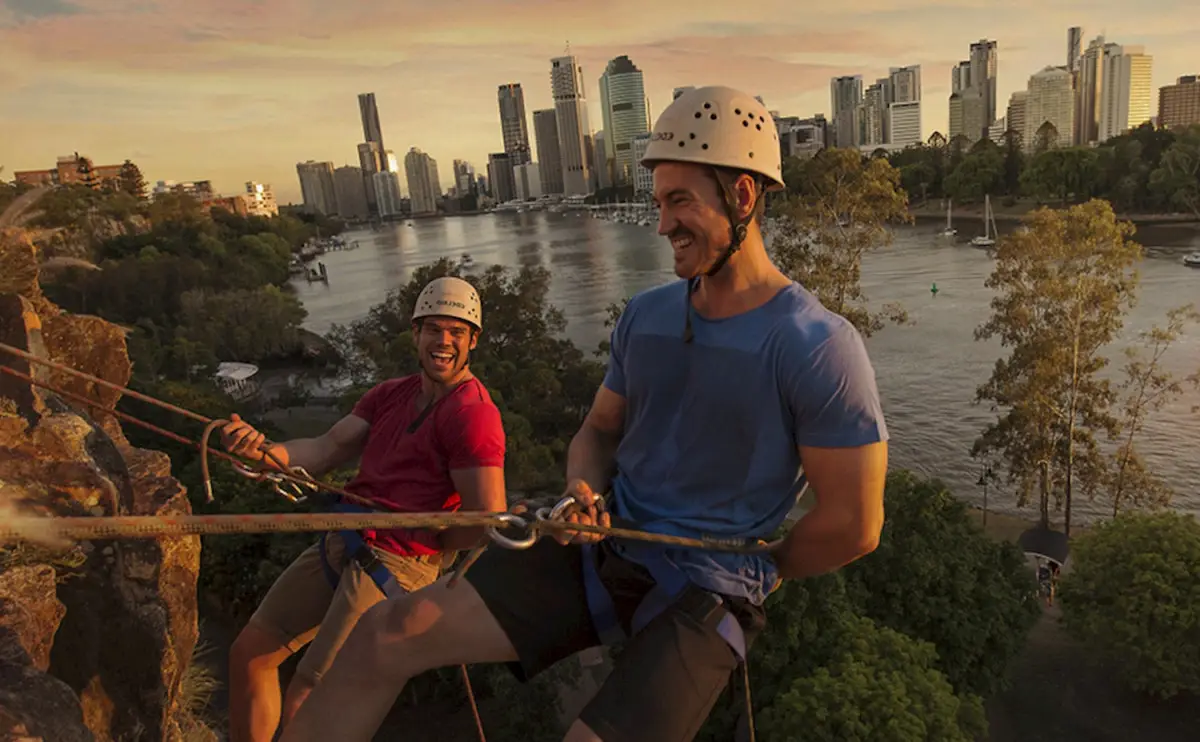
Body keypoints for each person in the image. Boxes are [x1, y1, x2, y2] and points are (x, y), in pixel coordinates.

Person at [281, 85, 889, 742]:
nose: (661, 225)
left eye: (679, 201)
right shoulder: (647, 316)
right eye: (659, 203)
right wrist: (581, 488)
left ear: (742, 196)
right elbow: (598, 431)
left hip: (711, 584)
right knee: (385, 632)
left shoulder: (817, 347)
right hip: (605, 546)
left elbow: (855, 524)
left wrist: (761, 569)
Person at [224, 276, 508, 742]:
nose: (444, 341)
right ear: (415, 333)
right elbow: (323, 449)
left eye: (457, 332)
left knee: (311, 698)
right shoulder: (389, 395)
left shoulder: (472, 414)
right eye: (433, 328)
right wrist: (261, 454)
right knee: (251, 652)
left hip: (398, 561)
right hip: (347, 536)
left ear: (472, 341)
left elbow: (484, 518)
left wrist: (431, 547)